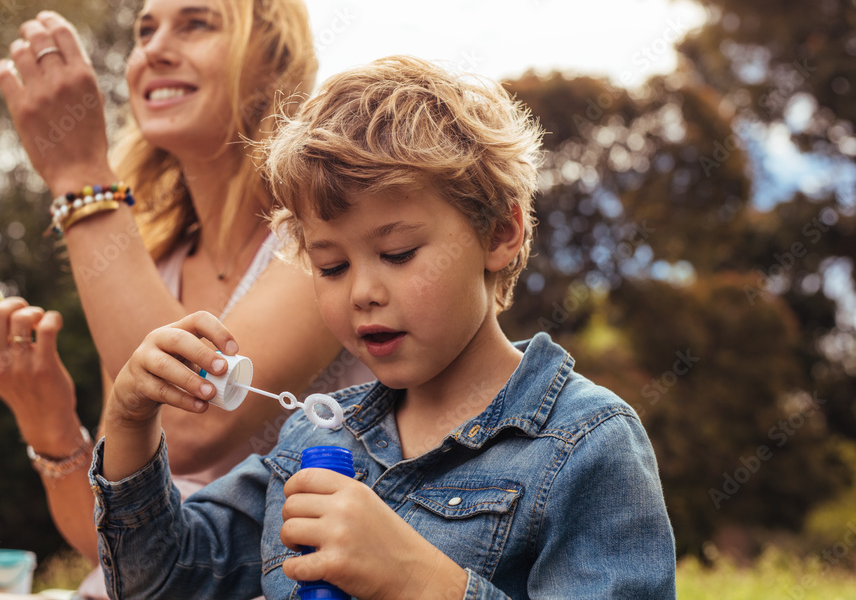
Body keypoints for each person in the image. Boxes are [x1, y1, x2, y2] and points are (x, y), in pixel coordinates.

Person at [91, 56, 678, 599]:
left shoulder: (587, 447)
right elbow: (161, 582)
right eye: (331, 266)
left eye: (397, 253)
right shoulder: (311, 441)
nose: (362, 292)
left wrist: (418, 577)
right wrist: (129, 421)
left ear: (501, 233)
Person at [0, 0, 371, 593]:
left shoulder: (321, 234)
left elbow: (193, 420)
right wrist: (48, 416)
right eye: (146, 31)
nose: (153, 50)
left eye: (196, 24)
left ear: (273, 64)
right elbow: (126, 546)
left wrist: (80, 177)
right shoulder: (151, 264)